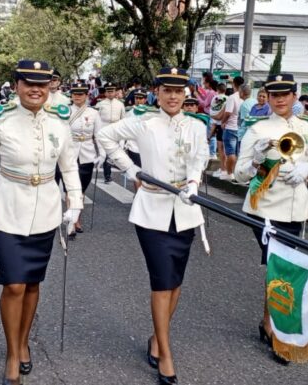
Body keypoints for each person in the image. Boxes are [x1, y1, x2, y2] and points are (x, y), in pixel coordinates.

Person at [0, 60, 82, 384]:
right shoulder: (1, 122)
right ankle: (13, 352)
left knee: (32, 283)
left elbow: (69, 166)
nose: (35, 89)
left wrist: (76, 203)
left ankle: (24, 339)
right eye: (28, 82)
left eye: (42, 84)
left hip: (45, 211)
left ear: (50, 87)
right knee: (13, 283)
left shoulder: (59, 123)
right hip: (7, 210)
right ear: (16, 85)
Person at [97, 67, 209, 385]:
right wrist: (133, 171)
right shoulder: (144, 122)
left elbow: (200, 156)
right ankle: (166, 352)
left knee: (175, 282)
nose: (173, 96)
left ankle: (157, 338)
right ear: (157, 92)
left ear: (185, 93)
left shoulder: (195, 126)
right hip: (152, 211)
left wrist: (193, 182)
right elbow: (105, 137)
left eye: (179, 90)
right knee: (161, 281)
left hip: (185, 211)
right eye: (167, 90)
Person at [233, 73, 308, 362]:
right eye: (274, 95)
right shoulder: (257, 130)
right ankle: (276, 331)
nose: (280, 99)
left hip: (295, 208)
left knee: (282, 267)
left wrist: (307, 170)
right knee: (280, 267)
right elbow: (240, 174)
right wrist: (258, 159)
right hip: (265, 208)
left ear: (295, 96)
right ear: (267, 97)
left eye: (286, 94)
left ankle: (267, 322)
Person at [66, 82, 104, 233]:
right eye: (75, 94)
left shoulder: (93, 113)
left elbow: (99, 135)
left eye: (80, 94)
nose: (77, 96)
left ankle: (76, 217)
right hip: (69, 153)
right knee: (70, 188)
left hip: (87, 154)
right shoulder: (66, 111)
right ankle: (73, 221)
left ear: (86, 95)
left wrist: (102, 153)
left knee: (81, 190)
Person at [96, 83, 125, 183]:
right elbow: (97, 119)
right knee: (106, 153)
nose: (110, 93)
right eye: (108, 91)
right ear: (105, 93)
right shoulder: (100, 104)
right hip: (104, 128)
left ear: (115, 92)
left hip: (116, 129)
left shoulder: (120, 104)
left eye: (112, 91)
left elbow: (123, 119)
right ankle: (107, 175)